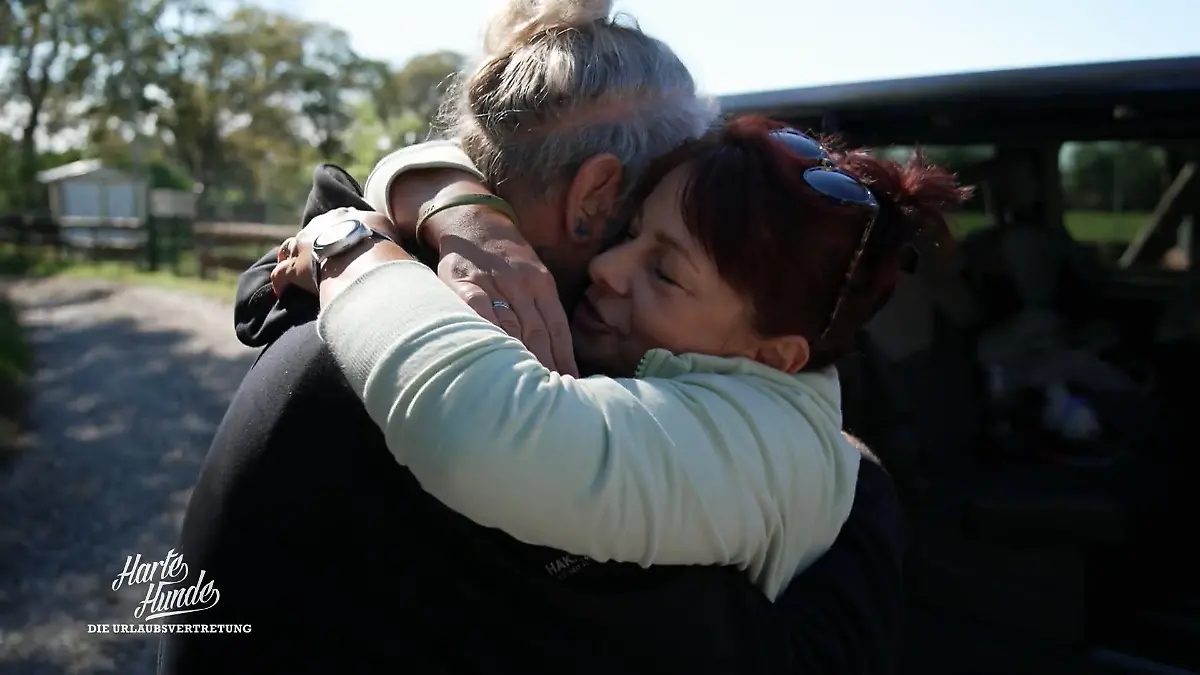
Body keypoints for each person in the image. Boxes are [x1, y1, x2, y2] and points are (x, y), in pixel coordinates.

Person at [161, 1, 905, 673]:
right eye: (650, 220)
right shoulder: (488, 391)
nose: (619, 267)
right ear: (597, 198)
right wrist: (861, 488)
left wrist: (393, 211)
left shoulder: (353, 301)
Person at [275, 114, 968, 600]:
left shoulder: (773, 444)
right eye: (633, 231)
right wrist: (459, 207)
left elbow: (480, 430)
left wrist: (352, 248)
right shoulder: (735, 375)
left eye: (665, 272)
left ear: (775, 353)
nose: (607, 265)